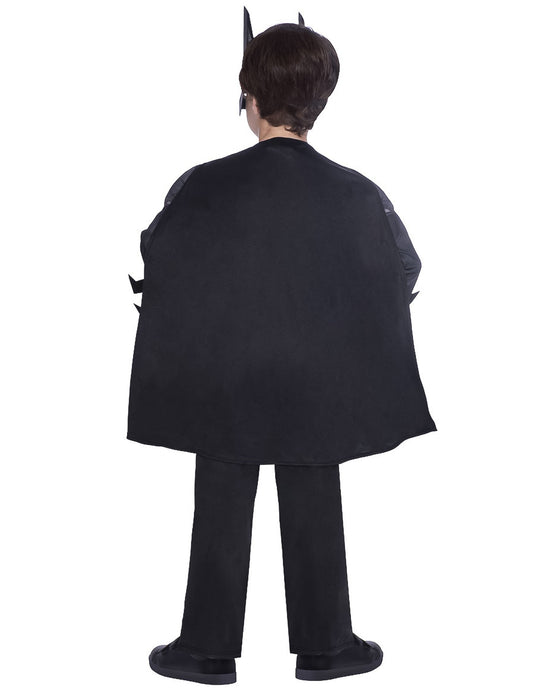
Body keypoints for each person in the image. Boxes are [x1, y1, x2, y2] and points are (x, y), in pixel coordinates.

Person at [126, 8, 437, 685]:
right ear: (319, 101)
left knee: (221, 488)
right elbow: (404, 268)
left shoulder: (202, 183)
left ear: (249, 97)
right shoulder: (358, 193)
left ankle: (205, 650)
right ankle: (327, 646)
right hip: (316, 377)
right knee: (313, 481)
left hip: (225, 374)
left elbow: (157, 253)